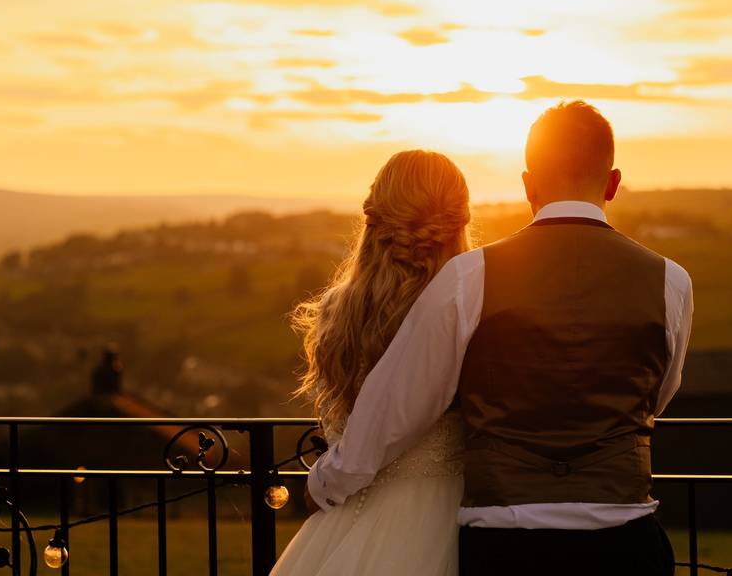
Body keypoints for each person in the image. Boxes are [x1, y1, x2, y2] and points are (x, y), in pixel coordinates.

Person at [306, 100, 694, 575]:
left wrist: (327, 483)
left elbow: (399, 405)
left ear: (528, 185)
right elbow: (657, 395)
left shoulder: (470, 277)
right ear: (613, 182)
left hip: (507, 542)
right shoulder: (670, 281)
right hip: (625, 539)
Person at [270, 149, 472, 576]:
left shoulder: (336, 311)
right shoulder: (467, 310)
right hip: (444, 515)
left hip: (344, 513)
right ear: (460, 220)